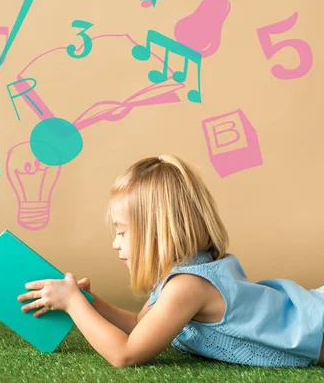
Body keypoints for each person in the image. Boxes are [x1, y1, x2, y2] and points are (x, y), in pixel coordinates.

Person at [17, 155, 324, 368]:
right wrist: (90, 303)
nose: (115, 243)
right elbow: (143, 326)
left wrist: (74, 304)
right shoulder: (180, 277)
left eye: (122, 232)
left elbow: (126, 354)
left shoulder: (189, 286)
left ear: (159, 232)